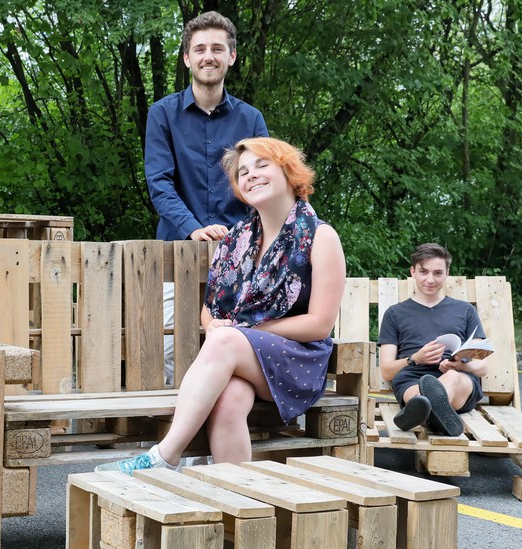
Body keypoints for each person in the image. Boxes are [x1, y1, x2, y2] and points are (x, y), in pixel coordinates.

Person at [98, 137, 346, 472]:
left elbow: (320, 324)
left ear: (289, 172)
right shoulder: (235, 239)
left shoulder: (321, 237)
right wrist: (212, 325)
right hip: (243, 357)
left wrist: (242, 332)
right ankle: (238, 506)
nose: (251, 175)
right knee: (228, 402)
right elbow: (212, 309)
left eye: (262, 165)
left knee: (227, 339)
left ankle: (164, 457)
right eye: (243, 172)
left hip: (297, 359)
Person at [145, 11, 270, 384]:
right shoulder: (163, 114)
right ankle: (172, 432)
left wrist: (241, 239)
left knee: (237, 341)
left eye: (217, 48)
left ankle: (228, 428)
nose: (208, 56)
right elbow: (159, 182)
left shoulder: (251, 119)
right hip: (174, 253)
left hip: (241, 256)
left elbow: (262, 187)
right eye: (199, 49)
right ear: (187, 58)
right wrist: (193, 229)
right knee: (169, 347)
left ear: (231, 56)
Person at [377, 243, 488, 437]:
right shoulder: (395, 314)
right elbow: (387, 371)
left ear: (447, 273)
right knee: (420, 396)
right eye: (423, 272)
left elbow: (483, 366)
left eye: (437, 273)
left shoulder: (465, 311)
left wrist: (461, 366)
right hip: (413, 378)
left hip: (460, 379)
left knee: (448, 381)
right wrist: (415, 359)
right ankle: (435, 416)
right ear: (412, 272)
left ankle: (422, 413)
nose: (430, 279)